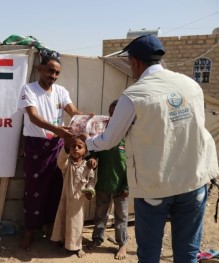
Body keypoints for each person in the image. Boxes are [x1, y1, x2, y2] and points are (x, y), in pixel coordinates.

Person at [79, 34, 219, 263]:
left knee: (150, 254)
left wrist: (87, 143)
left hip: (156, 188)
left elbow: (109, 140)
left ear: (135, 62)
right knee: (187, 254)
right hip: (194, 182)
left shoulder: (134, 95)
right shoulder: (191, 85)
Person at [17, 48, 83, 250]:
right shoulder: (28, 89)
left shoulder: (61, 92)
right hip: (36, 146)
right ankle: (29, 231)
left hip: (57, 147)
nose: (53, 76)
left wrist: (86, 121)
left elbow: (72, 112)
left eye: (56, 73)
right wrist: (58, 130)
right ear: (40, 69)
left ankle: (51, 230)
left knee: (56, 188)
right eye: (50, 71)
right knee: (33, 190)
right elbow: (33, 117)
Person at [86, 99, 129, 260]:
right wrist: (93, 159)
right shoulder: (103, 133)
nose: (112, 117)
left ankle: (122, 244)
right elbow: (95, 149)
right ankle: (97, 239)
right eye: (110, 113)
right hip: (104, 182)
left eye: (115, 114)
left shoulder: (128, 135)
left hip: (121, 186)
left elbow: (132, 164)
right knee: (100, 213)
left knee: (121, 216)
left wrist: (127, 186)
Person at [50, 136, 95, 258]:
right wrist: (66, 146)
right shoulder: (67, 164)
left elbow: (91, 181)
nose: (75, 149)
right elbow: (60, 161)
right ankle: (65, 244)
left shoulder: (88, 166)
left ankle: (77, 247)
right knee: (65, 222)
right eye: (73, 146)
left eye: (79, 147)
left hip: (79, 202)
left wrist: (90, 191)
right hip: (66, 199)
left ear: (85, 151)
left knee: (77, 224)